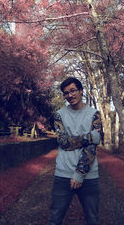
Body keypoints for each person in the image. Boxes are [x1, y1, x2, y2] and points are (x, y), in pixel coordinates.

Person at [48, 77, 104, 225]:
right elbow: (63, 142)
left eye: (73, 91)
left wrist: (79, 174)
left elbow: (92, 148)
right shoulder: (60, 114)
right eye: (66, 93)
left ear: (81, 91)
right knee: (54, 219)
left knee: (93, 219)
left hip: (89, 176)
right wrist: (90, 137)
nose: (70, 95)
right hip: (63, 174)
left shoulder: (94, 114)